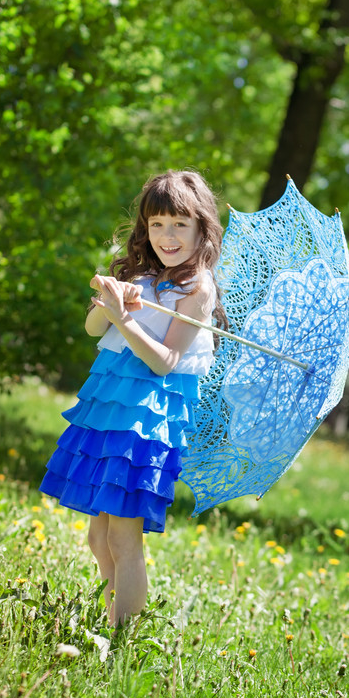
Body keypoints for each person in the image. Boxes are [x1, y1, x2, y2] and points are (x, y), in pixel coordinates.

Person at [39, 169, 225, 628]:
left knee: (124, 538)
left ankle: (125, 639)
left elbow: (164, 361)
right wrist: (108, 301)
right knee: (98, 536)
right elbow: (92, 330)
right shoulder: (140, 274)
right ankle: (111, 620)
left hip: (146, 420)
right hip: (107, 412)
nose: (167, 235)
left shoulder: (197, 289)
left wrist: (125, 319)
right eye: (157, 224)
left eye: (180, 224)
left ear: (202, 228)